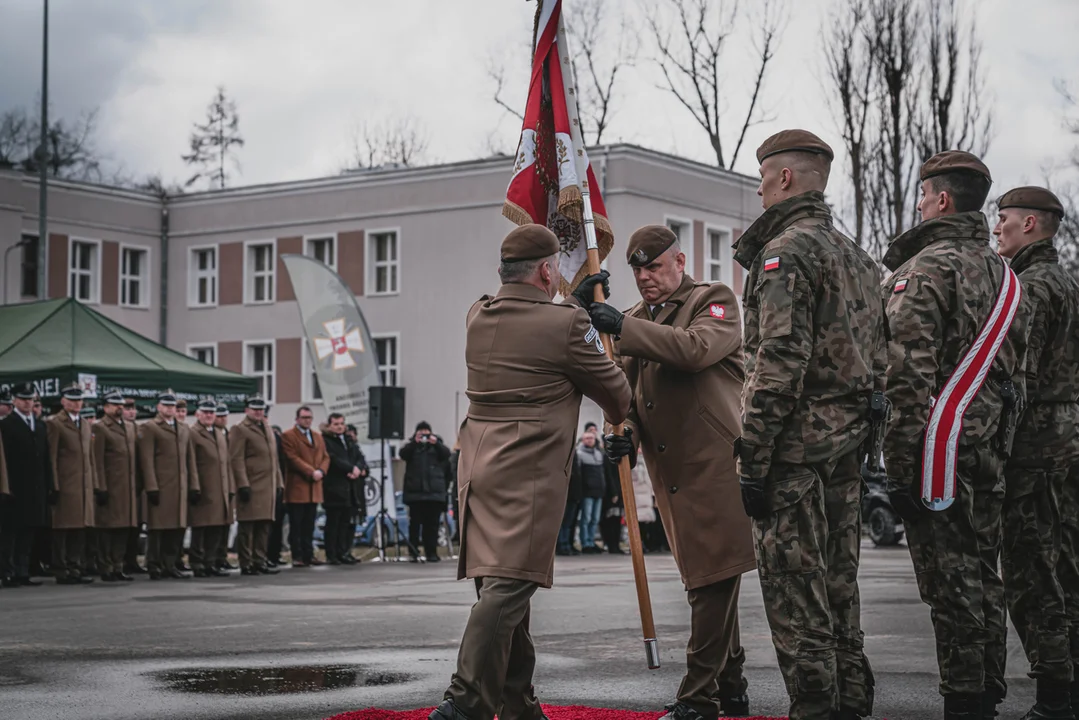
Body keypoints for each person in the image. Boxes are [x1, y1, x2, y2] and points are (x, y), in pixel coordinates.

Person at [430, 224, 631, 720]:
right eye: (555, 270)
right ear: (546, 270)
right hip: (531, 471)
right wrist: (584, 315)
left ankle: (518, 704)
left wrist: (570, 309)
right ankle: (466, 700)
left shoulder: (478, 314)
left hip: (479, 466)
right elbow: (618, 396)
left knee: (501, 589)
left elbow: (531, 323)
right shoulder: (564, 324)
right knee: (508, 589)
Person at [585, 222, 757, 720]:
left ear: (680, 263)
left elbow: (694, 350)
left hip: (718, 467)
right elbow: (629, 397)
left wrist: (622, 327)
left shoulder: (714, 300)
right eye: (637, 269)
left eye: (654, 267)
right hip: (672, 473)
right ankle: (733, 686)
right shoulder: (636, 319)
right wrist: (625, 435)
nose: (644, 278)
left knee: (711, 583)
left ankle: (697, 699)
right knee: (709, 579)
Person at [882, 151, 1026, 720]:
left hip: (940, 450)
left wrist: (897, 467)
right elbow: (1018, 373)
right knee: (983, 574)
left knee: (949, 583)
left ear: (942, 199)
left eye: (922, 196)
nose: (919, 206)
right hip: (992, 445)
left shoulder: (926, 270)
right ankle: (987, 687)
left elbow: (906, 377)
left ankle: (965, 700)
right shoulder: (1006, 276)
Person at [992, 186, 1079, 718]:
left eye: (1003, 218)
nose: (997, 227)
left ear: (1029, 224)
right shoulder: (1066, 281)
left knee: (1029, 570)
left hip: (1034, 443)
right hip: (1068, 433)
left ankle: (1053, 695)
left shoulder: (1029, 288)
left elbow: (1015, 378)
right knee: (1067, 565)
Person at [138, 390, 200, 580]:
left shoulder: (183, 429)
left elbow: (190, 460)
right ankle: (154, 564)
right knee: (158, 528)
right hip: (161, 486)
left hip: (180, 486)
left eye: (172, 406)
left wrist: (194, 485)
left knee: (176, 528)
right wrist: (151, 486)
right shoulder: (150, 427)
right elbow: (146, 460)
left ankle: (170, 564)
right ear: (158, 407)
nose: (170, 409)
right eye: (166, 406)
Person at [0, 383, 51, 587]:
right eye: (23, 399)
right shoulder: (6, 425)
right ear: (14, 401)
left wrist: (49, 484)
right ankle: (8, 572)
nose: (27, 403)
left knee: (28, 532)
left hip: (35, 487)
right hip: (14, 486)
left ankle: (23, 571)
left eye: (30, 400)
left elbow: (45, 458)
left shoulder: (39, 425)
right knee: (11, 533)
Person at [46, 383, 98, 585]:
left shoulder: (85, 424)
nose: (76, 404)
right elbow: (52, 457)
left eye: (79, 400)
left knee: (79, 529)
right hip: (66, 485)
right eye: (72, 400)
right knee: (63, 529)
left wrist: (94, 483)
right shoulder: (55, 423)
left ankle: (75, 567)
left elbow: (90, 457)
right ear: (63, 401)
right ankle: (62, 569)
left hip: (83, 485)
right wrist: (54, 485)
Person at [229, 395, 282, 576]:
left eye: (261, 409)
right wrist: (242, 484)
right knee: (248, 527)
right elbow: (236, 459)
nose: (258, 412)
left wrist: (279, 482)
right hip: (251, 484)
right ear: (247, 410)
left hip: (267, 485)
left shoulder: (266, 428)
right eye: (255, 409)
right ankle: (246, 562)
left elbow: (273, 459)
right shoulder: (240, 429)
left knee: (264, 526)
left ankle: (260, 560)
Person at [91, 391, 138, 582]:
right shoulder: (101, 428)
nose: (119, 407)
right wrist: (100, 487)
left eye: (121, 404)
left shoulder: (129, 427)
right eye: (114, 404)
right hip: (111, 487)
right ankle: (106, 566)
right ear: (105, 407)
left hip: (127, 487)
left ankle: (118, 565)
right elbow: (97, 460)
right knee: (107, 529)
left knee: (123, 529)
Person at [188, 399, 233, 578]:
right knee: (200, 528)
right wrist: (194, 486)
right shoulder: (193, 433)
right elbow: (190, 462)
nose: (209, 416)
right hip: (203, 488)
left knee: (216, 528)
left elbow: (226, 462)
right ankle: (197, 563)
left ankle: (211, 562)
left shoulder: (219, 434)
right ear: (198, 414)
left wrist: (230, 486)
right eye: (205, 412)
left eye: (211, 413)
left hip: (219, 487)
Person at [282, 406, 330, 567]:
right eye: (304, 417)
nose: (307, 420)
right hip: (298, 488)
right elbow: (292, 458)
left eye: (309, 417)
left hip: (314, 488)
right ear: (297, 419)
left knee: (309, 525)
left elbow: (325, 456)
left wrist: (322, 471)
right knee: (297, 525)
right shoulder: (288, 436)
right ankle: (298, 555)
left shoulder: (317, 436)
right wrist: (311, 472)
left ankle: (309, 554)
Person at [400, 421, 452, 563]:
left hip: (434, 494)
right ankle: (414, 550)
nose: (424, 436)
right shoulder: (412, 447)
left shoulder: (437, 447)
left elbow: (447, 455)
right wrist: (414, 443)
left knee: (432, 525)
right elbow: (403, 454)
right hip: (415, 493)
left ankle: (431, 552)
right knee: (415, 525)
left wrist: (435, 443)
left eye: (426, 433)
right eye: (421, 433)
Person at [322, 413, 367, 565]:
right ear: (329, 426)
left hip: (351, 489)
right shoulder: (326, 441)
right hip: (334, 487)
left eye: (341, 423)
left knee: (346, 524)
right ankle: (332, 554)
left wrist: (359, 468)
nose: (339, 426)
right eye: (336, 424)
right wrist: (350, 468)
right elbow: (333, 459)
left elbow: (360, 458)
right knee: (333, 524)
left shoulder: (349, 441)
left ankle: (344, 552)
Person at [120, 397, 146, 576]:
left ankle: (131, 560)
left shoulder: (139, 429)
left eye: (133, 408)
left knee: (135, 526)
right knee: (121, 526)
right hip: (121, 484)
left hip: (137, 485)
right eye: (127, 408)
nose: (131, 412)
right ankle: (119, 561)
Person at [212, 402, 236, 571]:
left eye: (224, 416)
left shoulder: (228, 434)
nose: (222, 419)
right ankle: (212, 558)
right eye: (219, 416)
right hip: (214, 484)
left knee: (226, 524)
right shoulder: (212, 433)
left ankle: (222, 556)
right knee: (214, 525)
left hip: (228, 483)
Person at [575, 430, 606, 554]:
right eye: (587, 438)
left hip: (598, 491)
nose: (589, 440)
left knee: (595, 519)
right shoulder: (580, 454)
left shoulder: (599, 454)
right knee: (586, 518)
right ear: (583, 440)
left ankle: (592, 541)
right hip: (587, 491)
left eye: (591, 438)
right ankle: (585, 543)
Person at [556, 447, 583, 556]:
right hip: (565, 495)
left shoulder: (574, 455)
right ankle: (562, 545)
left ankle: (567, 544)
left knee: (568, 523)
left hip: (574, 495)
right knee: (563, 523)